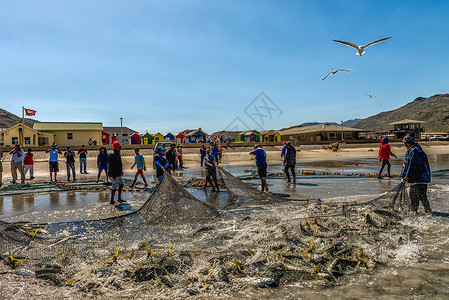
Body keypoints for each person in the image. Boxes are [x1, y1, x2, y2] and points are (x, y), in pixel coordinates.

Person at [401, 134, 432, 214]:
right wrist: (404, 175)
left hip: (419, 178)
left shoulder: (414, 150)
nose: (404, 144)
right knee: (422, 195)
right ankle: (427, 211)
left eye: (405, 142)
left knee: (415, 195)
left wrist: (407, 176)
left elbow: (413, 164)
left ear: (409, 142)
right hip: (421, 177)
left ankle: (415, 212)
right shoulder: (414, 149)